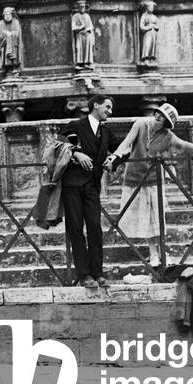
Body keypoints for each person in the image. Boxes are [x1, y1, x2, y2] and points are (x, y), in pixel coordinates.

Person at [103, 103, 193, 263]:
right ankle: (153, 253)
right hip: (135, 178)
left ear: (166, 122)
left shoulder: (167, 136)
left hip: (153, 180)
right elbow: (127, 142)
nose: (158, 117)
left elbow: (183, 145)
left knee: (156, 218)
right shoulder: (140, 124)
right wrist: (114, 156)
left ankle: (160, 253)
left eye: (163, 117)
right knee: (144, 218)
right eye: (158, 114)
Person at [59, 94, 119, 288]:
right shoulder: (76, 125)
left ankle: (98, 273)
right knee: (75, 228)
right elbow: (57, 144)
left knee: (95, 228)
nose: (110, 111)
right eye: (107, 107)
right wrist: (76, 153)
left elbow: (120, 149)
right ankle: (84, 275)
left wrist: (114, 159)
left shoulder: (106, 132)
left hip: (92, 185)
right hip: (72, 185)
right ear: (95, 106)